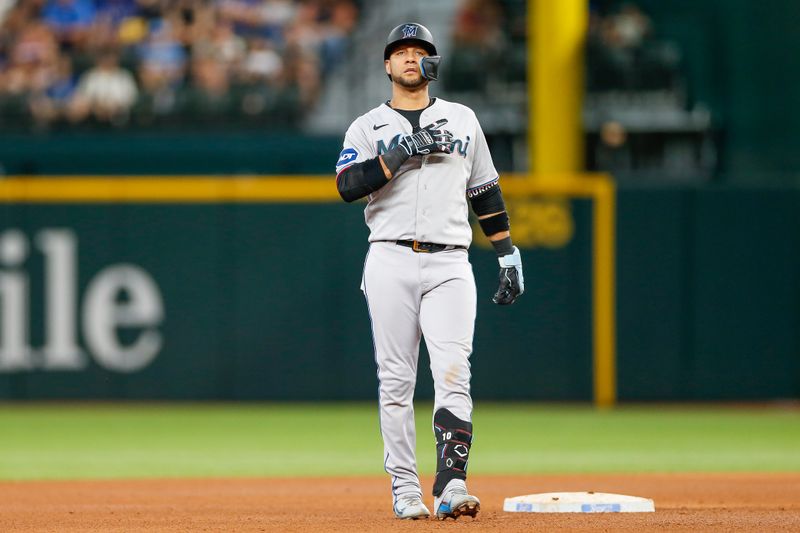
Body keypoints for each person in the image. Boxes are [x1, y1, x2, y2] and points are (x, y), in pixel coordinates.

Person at [335, 22, 524, 521]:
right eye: (401, 52)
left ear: (433, 64)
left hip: (450, 261)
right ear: (386, 65)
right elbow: (347, 185)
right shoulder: (367, 125)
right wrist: (395, 156)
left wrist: (506, 251)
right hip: (390, 257)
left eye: (420, 51)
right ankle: (404, 488)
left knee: (453, 370)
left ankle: (452, 483)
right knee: (396, 380)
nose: (410, 58)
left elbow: (485, 191)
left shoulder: (462, 120)